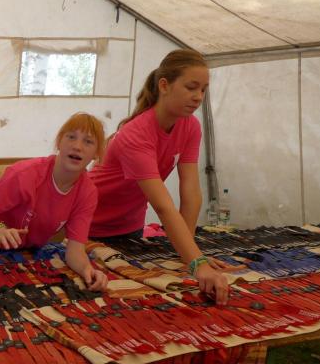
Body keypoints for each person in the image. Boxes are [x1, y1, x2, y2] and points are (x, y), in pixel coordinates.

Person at [88, 49, 229, 303]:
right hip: (90, 228)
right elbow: (163, 206)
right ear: (164, 85)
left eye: (203, 90)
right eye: (191, 87)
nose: (198, 97)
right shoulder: (135, 134)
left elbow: (191, 191)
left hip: (130, 230)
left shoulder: (191, 126)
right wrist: (197, 262)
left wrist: (189, 256)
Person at [0, 113, 109, 290]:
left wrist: (87, 270)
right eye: (71, 137)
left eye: (88, 142)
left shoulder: (87, 192)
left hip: (20, 258)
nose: (77, 146)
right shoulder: (26, 174)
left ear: (96, 154)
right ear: (59, 142)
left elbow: (75, 251)